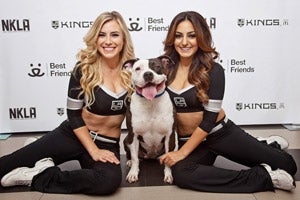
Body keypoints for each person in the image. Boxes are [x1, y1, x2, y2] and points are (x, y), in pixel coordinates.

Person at [159, 11, 297, 193]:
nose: (184, 42)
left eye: (192, 35)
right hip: (189, 140)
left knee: (288, 165)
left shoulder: (214, 70)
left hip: (219, 134)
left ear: (201, 37)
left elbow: (209, 121)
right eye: (178, 36)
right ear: (172, 39)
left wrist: (181, 153)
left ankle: (269, 145)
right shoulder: (163, 68)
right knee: (182, 174)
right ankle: (265, 177)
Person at [0, 11, 135, 195]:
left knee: (107, 182)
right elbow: (73, 115)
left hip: (107, 143)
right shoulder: (84, 69)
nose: (108, 41)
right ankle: (38, 152)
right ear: (95, 38)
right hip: (72, 135)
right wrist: (93, 150)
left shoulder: (134, 71)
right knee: (4, 165)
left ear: (123, 39)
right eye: (102, 35)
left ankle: (36, 175)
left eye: (114, 34)